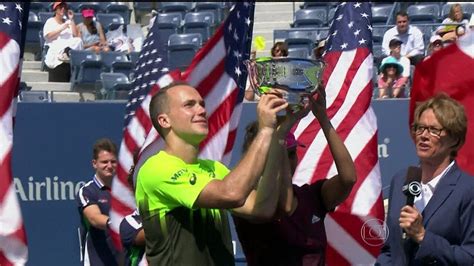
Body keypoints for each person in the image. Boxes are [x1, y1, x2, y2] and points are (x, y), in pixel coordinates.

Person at [134, 81, 289, 265]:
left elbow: (261, 208)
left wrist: (279, 134)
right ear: (164, 120)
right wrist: (265, 130)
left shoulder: (214, 168)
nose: (201, 110)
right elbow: (232, 194)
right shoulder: (156, 168)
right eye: (189, 105)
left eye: (202, 104)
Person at [234, 87, 357, 266]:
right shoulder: (247, 201)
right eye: (280, 153)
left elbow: (348, 178)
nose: (288, 161)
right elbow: (281, 206)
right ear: (261, 158)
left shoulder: (312, 196)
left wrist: (323, 118)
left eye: (292, 154)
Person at [376, 93, 474, 265]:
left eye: (434, 130)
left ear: (455, 139)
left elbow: (469, 257)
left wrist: (423, 236)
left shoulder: (467, 190)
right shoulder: (401, 180)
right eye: (419, 128)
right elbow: (390, 249)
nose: (423, 135)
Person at [76, 138, 121, 266]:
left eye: (113, 162)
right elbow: (94, 218)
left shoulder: (125, 190)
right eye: (104, 162)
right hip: (97, 261)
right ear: (94, 163)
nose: (109, 166)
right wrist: (116, 223)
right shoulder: (87, 191)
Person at [43, 1, 83, 69]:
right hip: (55, 44)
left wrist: (71, 19)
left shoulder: (68, 21)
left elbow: (75, 35)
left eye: (64, 7)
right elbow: (48, 36)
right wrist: (61, 28)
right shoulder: (50, 21)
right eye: (60, 7)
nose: (63, 9)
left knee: (78, 40)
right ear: (55, 9)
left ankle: (66, 52)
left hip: (68, 45)